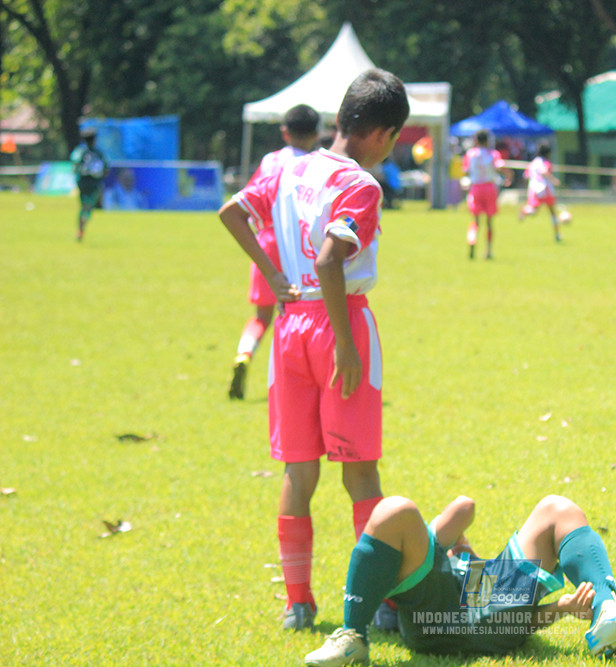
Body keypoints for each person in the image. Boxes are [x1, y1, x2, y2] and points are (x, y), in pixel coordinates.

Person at [218, 70, 409, 631]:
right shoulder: (361, 186)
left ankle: (298, 604)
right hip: (338, 323)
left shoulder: (288, 166)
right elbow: (331, 260)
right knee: (360, 474)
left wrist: (273, 275)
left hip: (289, 325)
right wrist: (347, 345)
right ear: (382, 133)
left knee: (299, 473)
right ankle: (376, 606)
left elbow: (231, 212)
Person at [303, 494, 616, 665]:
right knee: (395, 510)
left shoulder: (482, 575)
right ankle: (353, 635)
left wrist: (560, 608)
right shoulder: (433, 559)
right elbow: (461, 510)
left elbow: (466, 507)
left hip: (489, 595)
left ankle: (606, 610)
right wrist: (446, 542)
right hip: (435, 607)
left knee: (557, 507)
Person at [229, 104, 320, 400]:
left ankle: (244, 354)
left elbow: (250, 199)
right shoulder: (315, 164)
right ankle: (294, 382)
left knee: (262, 317)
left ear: (284, 131)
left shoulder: (270, 161)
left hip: (264, 242)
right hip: (295, 245)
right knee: (297, 316)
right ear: (317, 134)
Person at [462, 129, 511, 259]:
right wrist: (508, 175)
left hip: (476, 188)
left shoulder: (470, 154)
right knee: (489, 222)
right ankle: (488, 251)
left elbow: (466, 171)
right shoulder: (493, 154)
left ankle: (472, 240)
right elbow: (500, 167)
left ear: (476, 140)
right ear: (488, 140)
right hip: (489, 188)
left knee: (475, 221)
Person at [69, 127, 109, 241]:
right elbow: (106, 168)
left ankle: (81, 228)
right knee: (88, 207)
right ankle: (82, 227)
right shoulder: (98, 153)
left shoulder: (80, 152)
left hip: (82, 182)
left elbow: (75, 165)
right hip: (94, 183)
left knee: (84, 205)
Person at [519, 142, 563, 243]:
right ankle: (557, 234)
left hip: (534, 190)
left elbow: (526, 175)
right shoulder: (546, 163)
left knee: (534, 211)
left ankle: (524, 211)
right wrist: (554, 180)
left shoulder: (533, 163)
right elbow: (544, 172)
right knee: (552, 213)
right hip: (545, 189)